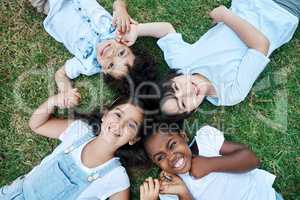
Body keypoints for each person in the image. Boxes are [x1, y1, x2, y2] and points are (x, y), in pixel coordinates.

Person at [141, 0, 299, 119]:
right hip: (282, 12)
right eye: (183, 103)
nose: (187, 92)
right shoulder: (230, 93)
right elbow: (260, 45)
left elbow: (165, 30)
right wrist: (226, 16)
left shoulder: (181, 63)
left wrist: (136, 30)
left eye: (176, 88)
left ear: (175, 76)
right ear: (193, 110)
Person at [0, 90, 146, 200]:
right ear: (105, 115)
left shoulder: (117, 178)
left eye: (131, 125)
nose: (119, 124)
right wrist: (54, 101)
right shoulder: (79, 131)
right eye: (118, 115)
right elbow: (37, 125)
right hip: (15, 194)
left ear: (133, 139)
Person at [29, 0, 156, 94]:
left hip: (50, 7)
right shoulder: (122, 31)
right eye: (121, 53)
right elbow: (119, 3)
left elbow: (60, 74)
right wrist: (121, 8)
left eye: (111, 65)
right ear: (129, 46)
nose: (110, 54)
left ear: (104, 72)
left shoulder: (87, 65)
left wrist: (66, 91)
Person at [140, 124, 284, 200]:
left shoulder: (205, 140)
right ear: (156, 164)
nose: (171, 157)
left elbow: (252, 160)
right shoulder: (169, 189)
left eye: (172, 145)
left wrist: (210, 164)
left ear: (183, 137)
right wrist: (183, 193)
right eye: (160, 158)